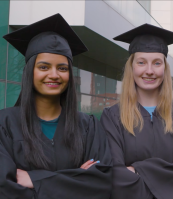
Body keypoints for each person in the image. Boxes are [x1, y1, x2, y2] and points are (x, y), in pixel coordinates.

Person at [0, 14, 112, 199]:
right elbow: (5, 188)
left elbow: (102, 184)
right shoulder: (5, 125)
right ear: (30, 72)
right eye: (43, 67)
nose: (54, 75)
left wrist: (34, 180)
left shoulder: (88, 126)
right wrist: (76, 180)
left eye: (62, 68)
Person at [100, 24, 173, 199]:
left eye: (157, 63)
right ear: (132, 67)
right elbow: (114, 177)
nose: (149, 71)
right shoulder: (112, 118)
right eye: (141, 62)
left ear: (164, 69)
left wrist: (136, 170)